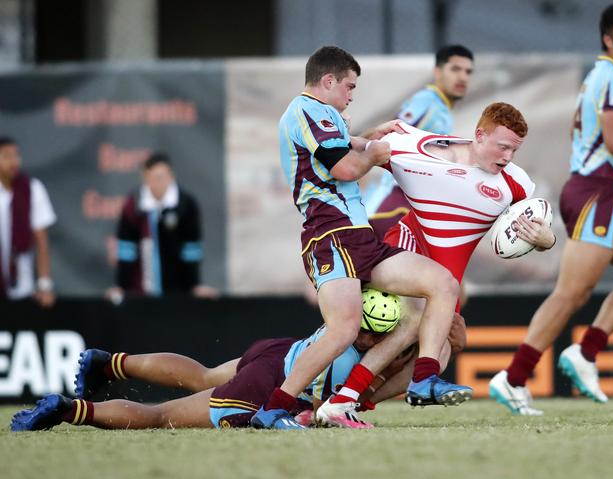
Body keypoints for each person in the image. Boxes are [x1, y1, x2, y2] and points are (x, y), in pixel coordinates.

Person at [251, 45, 471, 430]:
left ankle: (423, 380)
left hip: (359, 237)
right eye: (349, 87)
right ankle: (273, 409)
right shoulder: (308, 109)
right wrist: (377, 152)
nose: (352, 95)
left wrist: (370, 137)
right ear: (328, 80)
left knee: (442, 284)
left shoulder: (321, 115)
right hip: (330, 234)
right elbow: (347, 168)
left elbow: (344, 145)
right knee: (343, 330)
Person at [327, 103, 556, 419]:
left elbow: (536, 230)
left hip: (446, 277)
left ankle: (358, 401)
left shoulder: (516, 184)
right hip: (406, 247)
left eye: (514, 151)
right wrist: (368, 132)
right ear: (479, 135)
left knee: (449, 347)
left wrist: (546, 240)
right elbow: (354, 147)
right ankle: (342, 401)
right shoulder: (411, 145)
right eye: (503, 147)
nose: (507, 157)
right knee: (412, 323)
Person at [489, 1, 613, 415]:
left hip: (603, 190)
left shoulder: (606, 76)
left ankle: (586, 352)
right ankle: (513, 377)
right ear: (608, 39)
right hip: (596, 191)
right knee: (571, 293)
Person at [11, 288, 404, 431]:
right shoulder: (355, 358)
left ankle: (110, 362)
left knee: (203, 374)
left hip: (280, 351)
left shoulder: (347, 312)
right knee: (159, 415)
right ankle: (69, 410)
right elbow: (324, 407)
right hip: (267, 387)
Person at [365, 44, 474, 239]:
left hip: (406, 207)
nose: (463, 77)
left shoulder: (443, 111)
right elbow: (389, 136)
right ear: (437, 72)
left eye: (468, 72)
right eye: (455, 69)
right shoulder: (427, 101)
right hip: (391, 206)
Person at [106, 152, 217, 302]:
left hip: (178, 291)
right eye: (152, 178)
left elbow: (191, 249)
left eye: (161, 177)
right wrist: (121, 286)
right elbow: (126, 249)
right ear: (144, 179)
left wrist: (195, 285)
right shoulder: (133, 206)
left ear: (171, 177)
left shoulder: (186, 204)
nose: (157, 183)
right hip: (141, 292)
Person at [0, 136, 56, 307]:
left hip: (22, 286)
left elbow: (41, 240)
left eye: (16, 155)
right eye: (6, 156)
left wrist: (44, 285)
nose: (13, 161)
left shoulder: (32, 189)